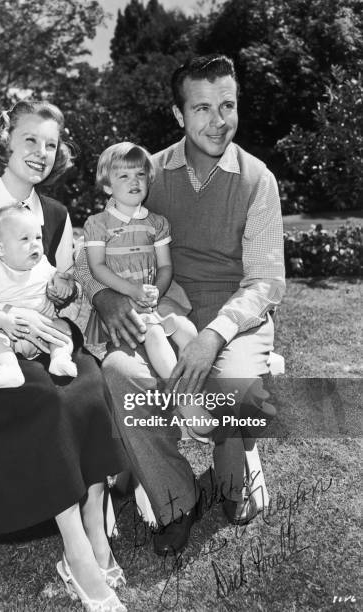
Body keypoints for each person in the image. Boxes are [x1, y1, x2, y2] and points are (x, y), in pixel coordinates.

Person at [76, 55, 285, 556]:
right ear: (178, 115)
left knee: (232, 388)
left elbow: (264, 282)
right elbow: (92, 250)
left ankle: (238, 461)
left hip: (234, 314)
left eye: (228, 105)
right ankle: (175, 497)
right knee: (122, 370)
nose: (218, 121)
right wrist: (105, 295)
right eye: (202, 108)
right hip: (162, 307)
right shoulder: (148, 173)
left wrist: (213, 334)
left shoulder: (258, 181)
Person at [0, 100, 128, 611]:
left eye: (51, 144)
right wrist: (2, 322)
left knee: (89, 378)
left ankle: (94, 526)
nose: (41, 153)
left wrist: (61, 300)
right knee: (43, 396)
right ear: (5, 141)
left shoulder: (56, 217)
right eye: (30, 140)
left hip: (43, 341)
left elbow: (59, 295)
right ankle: (79, 553)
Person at [83, 141, 215, 439]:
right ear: (107, 186)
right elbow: (97, 267)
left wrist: (156, 290)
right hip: (122, 301)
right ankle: (185, 403)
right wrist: (130, 290)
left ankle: (197, 392)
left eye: (140, 175)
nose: (134, 182)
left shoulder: (157, 223)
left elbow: (166, 266)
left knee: (185, 330)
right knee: (154, 333)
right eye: (123, 176)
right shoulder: (97, 224)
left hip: (154, 298)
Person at [0, 204, 78, 389]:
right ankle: (8, 369)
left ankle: (60, 359)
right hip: (9, 332)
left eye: (38, 237)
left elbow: (57, 276)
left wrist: (60, 284)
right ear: (0, 248)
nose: (35, 243)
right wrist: (3, 320)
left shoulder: (42, 264)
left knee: (63, 327)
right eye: (25, 238)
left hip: (45, 329)